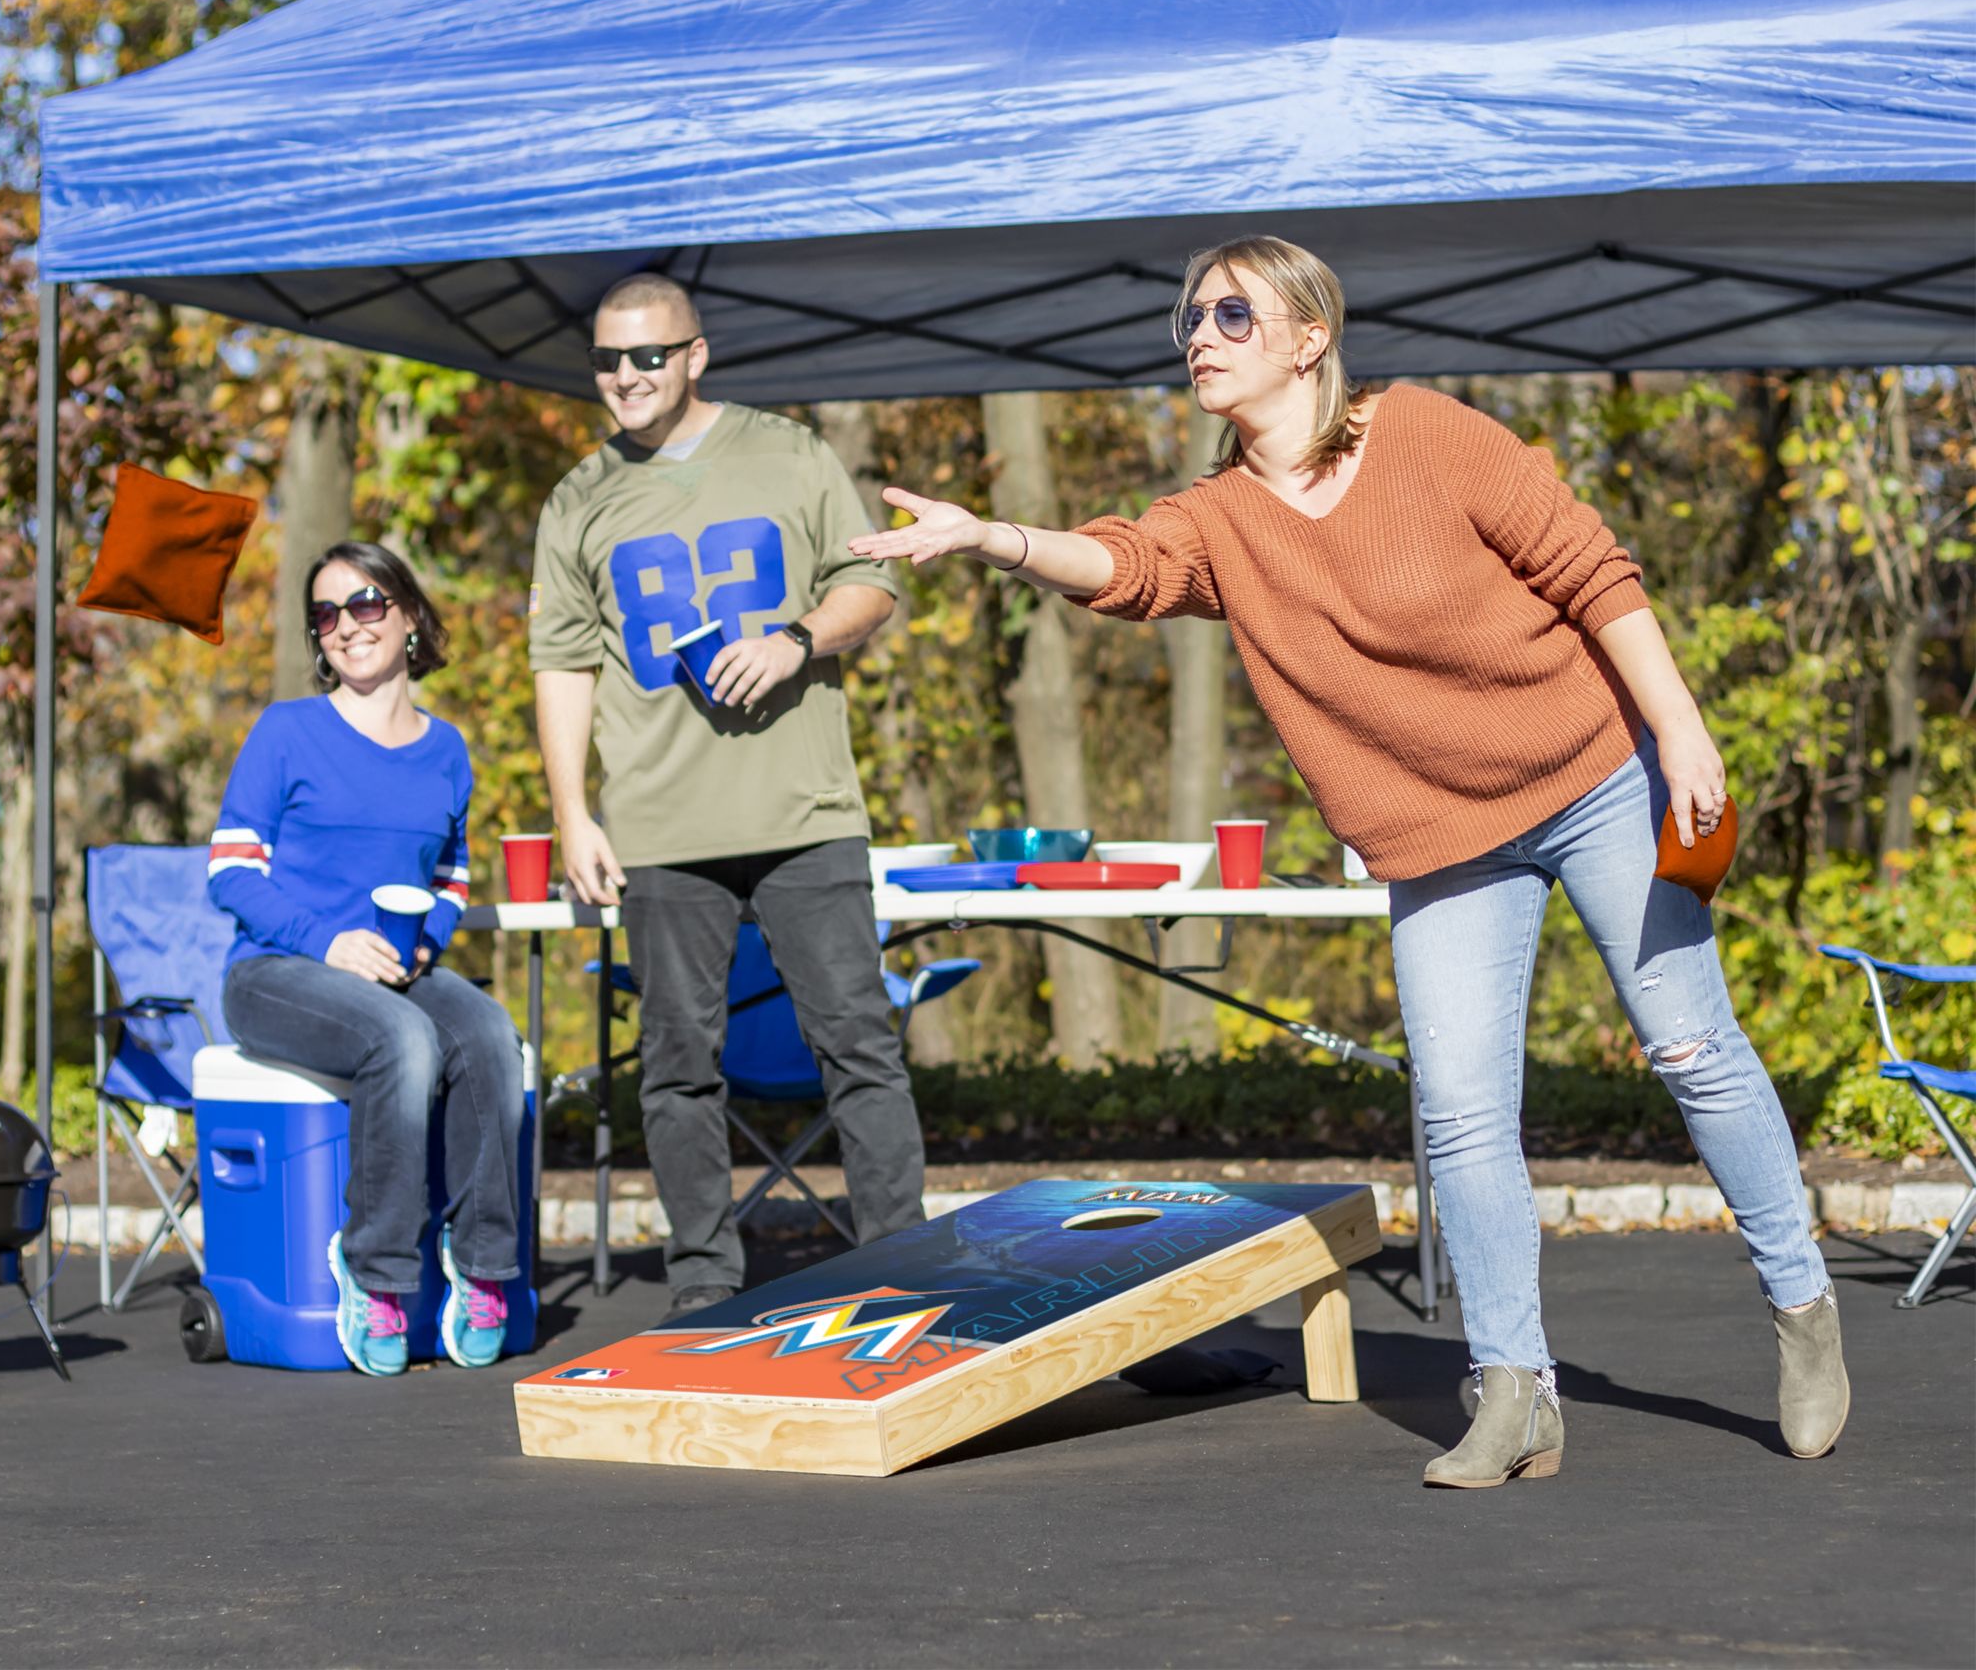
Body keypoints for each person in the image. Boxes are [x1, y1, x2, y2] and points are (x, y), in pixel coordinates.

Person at [849, 234, 1848, 1487]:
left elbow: (1589, 569)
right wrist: (997, 536)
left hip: (1589, 775)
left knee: (1691, 1050)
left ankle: (1802, 1307)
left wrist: (1677, 724)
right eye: (1188, 322)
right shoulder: (1217, 518)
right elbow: (1128, 566)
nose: (1197, 337)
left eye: (1228, 312)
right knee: (1462, 1113)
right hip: (1438, 837)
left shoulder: (1428, 432)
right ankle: (1513, 1388)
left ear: (1309, 334)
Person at [531, 273, 925, 1320]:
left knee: (858, 1047)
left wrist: (794, 639)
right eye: (608, 360)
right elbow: (562, 663)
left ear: (695, 355)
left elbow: (872, 583)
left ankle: (904, 1270)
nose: (626, 377)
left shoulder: (787, 451)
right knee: (674, 1067)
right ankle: (704, 1283)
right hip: (660, 827)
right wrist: (573, 811)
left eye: (647, 356)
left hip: (804, 813)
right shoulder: (576, 498)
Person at [209, 541, 523, 1378]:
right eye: (326, 612)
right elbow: (231, 871)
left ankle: (484, 1267)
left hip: (398, 970)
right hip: (277, 973)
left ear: (411, 615)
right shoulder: (287, 731)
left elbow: (452, 877)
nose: (346, 625)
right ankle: (377, 1272)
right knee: (403, 1039)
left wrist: (431, 940)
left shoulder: (446, 748)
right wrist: (327, 941)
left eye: (367, 603)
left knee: (491, 1034)